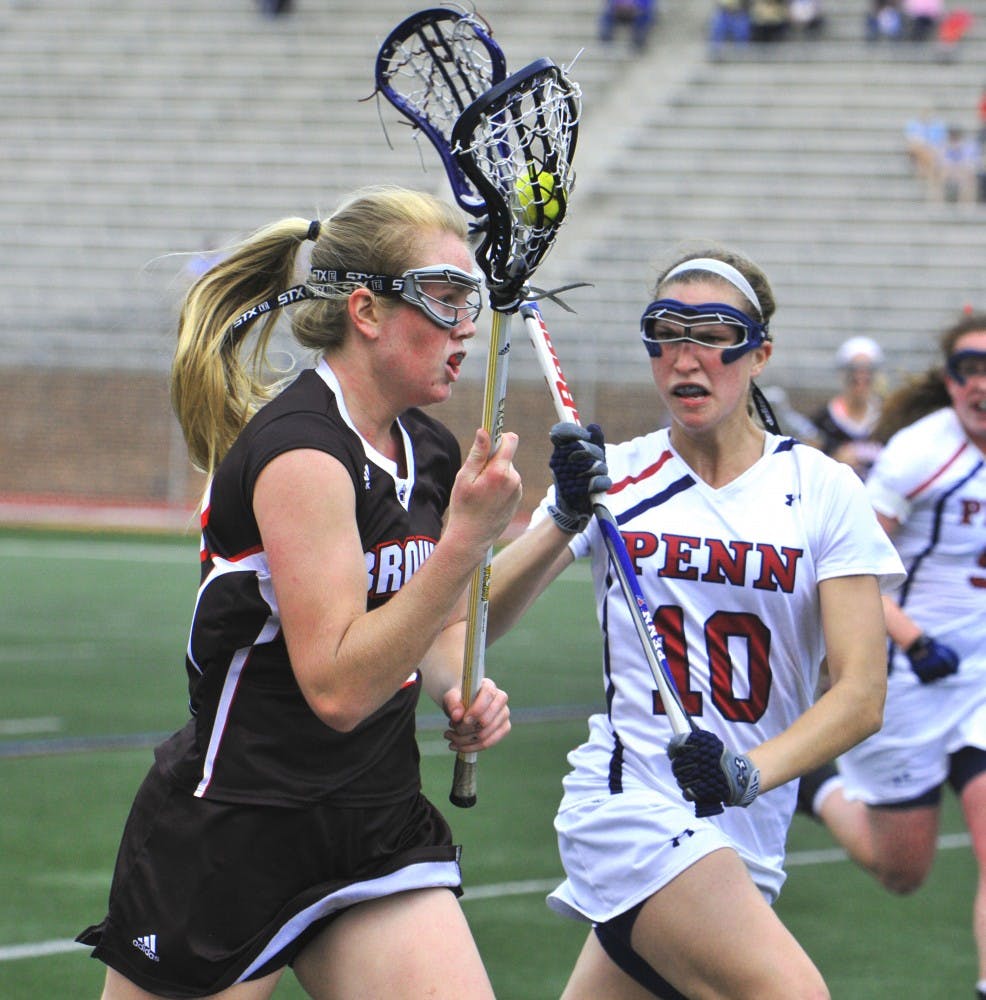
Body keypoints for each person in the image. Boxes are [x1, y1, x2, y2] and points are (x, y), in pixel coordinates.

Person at [75, 185, 522, 999]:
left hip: (372, 819)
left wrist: (464, 687)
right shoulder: (302, 455)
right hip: (240, 825)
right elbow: (340, 690)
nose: (466, 328)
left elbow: (443, 625)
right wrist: (466, 542)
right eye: (445, 299)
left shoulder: (429, 445)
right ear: (366, 310)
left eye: (473, 302)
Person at [487, 249, 905, 999]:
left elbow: (861, 693)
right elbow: (468, 628)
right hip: (632, 808)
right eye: (665, 333)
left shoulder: (821, 491)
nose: (687, 356)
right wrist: (562, 514)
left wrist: (749, 773)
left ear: (759, 353)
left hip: (743, 830)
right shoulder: (618, 478)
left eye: (713, 333)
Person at [799, 311, 986, 1000]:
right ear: (951, 379)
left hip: (980, 682)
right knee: (902, 870)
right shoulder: (916, 453)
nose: (984, 384)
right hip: (908, 675)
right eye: (971, 368)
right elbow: (853, 572)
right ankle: (810, 785)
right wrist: (914, 640)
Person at [812, 335, 886, 479]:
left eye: (868, 370)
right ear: (843, 374)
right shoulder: (823, 421)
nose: (861, 377)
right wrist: (833, 462)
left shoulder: (888, 418)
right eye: (854, 370)